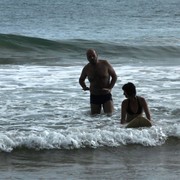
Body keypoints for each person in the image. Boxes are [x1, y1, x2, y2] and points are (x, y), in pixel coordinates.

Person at [79, 49, 117, 115]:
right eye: (89, 56)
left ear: (97, 55)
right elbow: (81, 79)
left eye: (93, 55)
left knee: (109, 116)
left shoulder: (105, 64)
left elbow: (114, 76)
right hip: (94, 95)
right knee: (94, 118)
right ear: (87, 58)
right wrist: (84, 87)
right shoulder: (86, 68)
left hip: (106, 94)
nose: (92, 58)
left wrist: (110, 87)